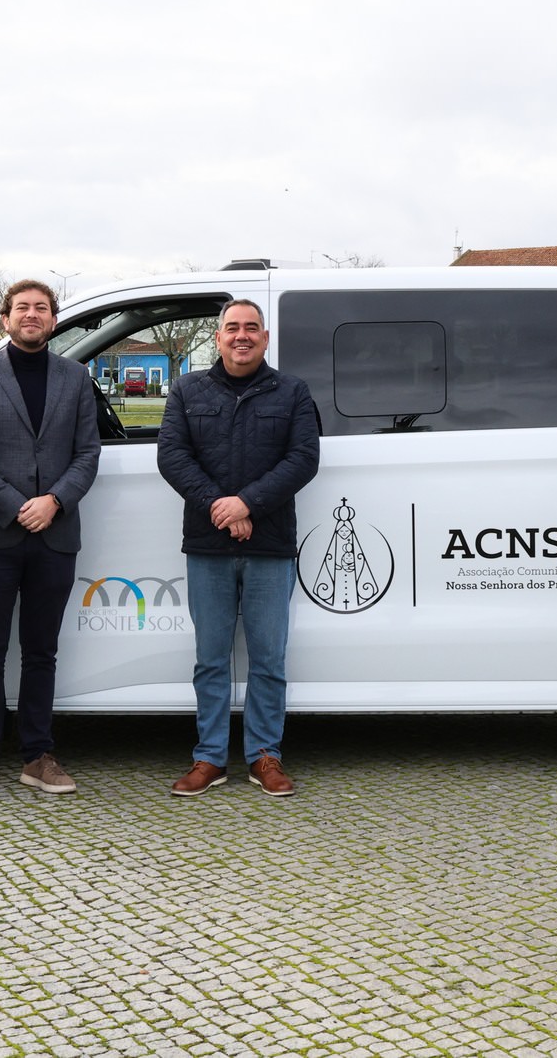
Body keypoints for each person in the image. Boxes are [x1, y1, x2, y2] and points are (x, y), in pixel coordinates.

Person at [0, 279, 102, 802]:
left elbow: (87, 453)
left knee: (42, 651)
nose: (31, 315)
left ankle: (38, 754)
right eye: (21, 308)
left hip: (55, 534)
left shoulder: (75, 377)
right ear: (5, 319)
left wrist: (54, 501)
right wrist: (16, 505)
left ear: (54, 320)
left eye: (41, 308)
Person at [156, 300, 321, 797]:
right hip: (208, 544)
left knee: (269, 658)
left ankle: (265, 756)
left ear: (265, 339)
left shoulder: (291, 391)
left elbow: (303, 459)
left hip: (270, 544)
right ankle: (209, 758)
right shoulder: (188, 389)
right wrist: (221, 508)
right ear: (219, 337)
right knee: (211, 658)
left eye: (251, 328)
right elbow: (172, 455)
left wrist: (247, 503)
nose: (241, 336)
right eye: (232, 328)